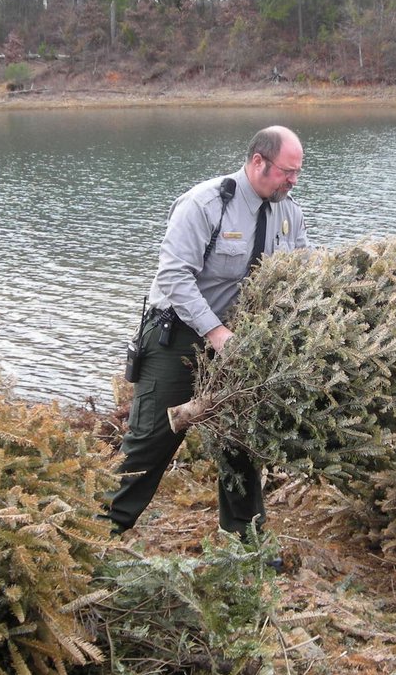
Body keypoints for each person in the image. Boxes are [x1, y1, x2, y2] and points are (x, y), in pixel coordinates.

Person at [103, 125, 309, 538]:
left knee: (241, 442)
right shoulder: (204, 203)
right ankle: (96, 533)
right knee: (150, 442)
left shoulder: (290, 212)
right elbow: (175, 276)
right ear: (257, 162)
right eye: (287, 171)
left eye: (297, 172)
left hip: (241, 343)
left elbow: (302, 272)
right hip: (176, 336)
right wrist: (215, 333)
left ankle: (244, 543)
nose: (293, 180)